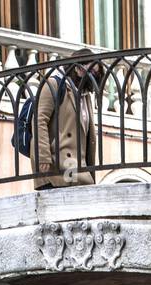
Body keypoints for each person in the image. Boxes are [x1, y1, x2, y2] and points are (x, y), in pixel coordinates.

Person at [34, 49, 103, 190]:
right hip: (56, 164)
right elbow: (39, 120)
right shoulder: (54, 84)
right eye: (90, 71)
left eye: (96, 73)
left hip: (76, 167)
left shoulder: (85, 96)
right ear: (77, 68)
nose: (93, 76)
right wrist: (43, 157)